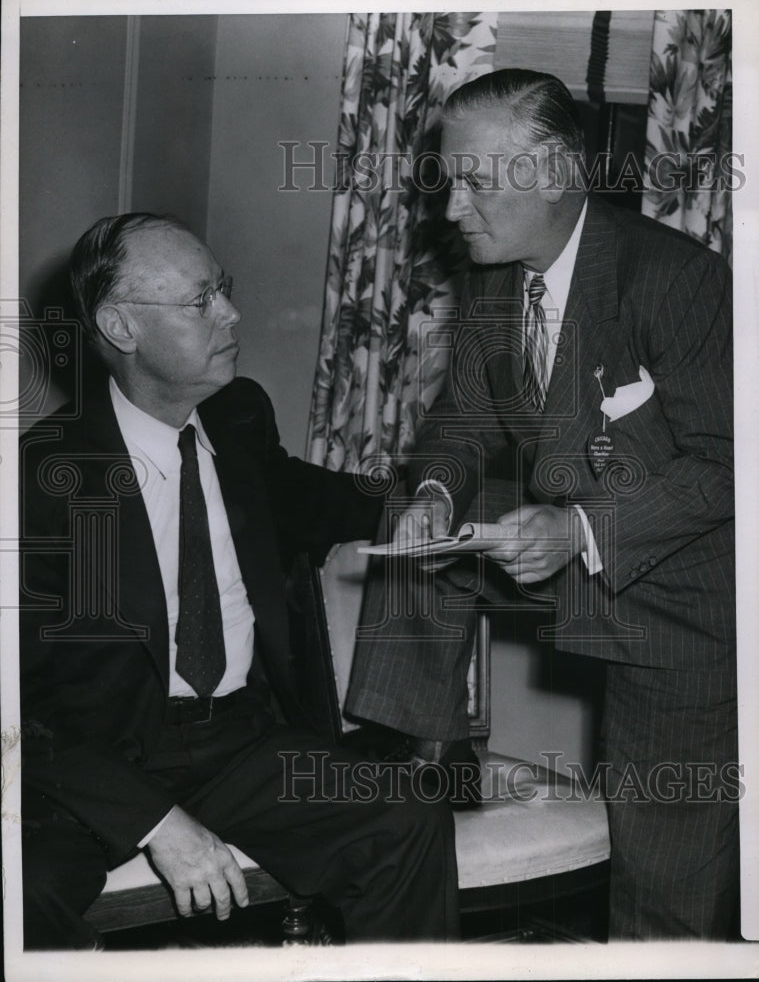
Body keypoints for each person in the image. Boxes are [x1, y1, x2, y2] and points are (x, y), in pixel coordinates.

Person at [345, 69, 738, 939]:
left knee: (662, 879)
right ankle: (420, 754)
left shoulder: (676, 281)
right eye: (449, 184)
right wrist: (436, 491)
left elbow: (727, 465)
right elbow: (463, 417)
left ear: (554, 172)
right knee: (409, 520)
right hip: (567, 557)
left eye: (475, 183)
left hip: (679, 600)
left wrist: (580, 527)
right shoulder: (495, 278)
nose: (452, 211)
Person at [19, 213, 459, 950]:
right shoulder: (45, 477)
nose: (231, 313)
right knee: (23, 888)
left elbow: (311, 498)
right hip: (94, 762)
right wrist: (156, 823)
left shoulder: (237, 417)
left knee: (404, 820)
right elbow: (18, 708)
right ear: (119, 326)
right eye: (200, 302)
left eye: (222, 289)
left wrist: (425, 504)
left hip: (237, 743)